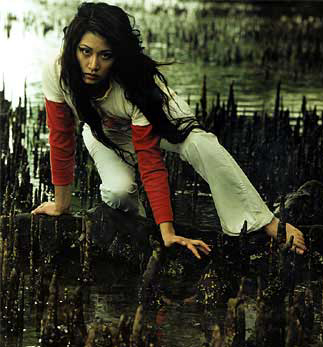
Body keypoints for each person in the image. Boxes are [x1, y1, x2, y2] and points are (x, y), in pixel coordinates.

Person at [32, 2, 307, 259]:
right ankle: (140, 229)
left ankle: (264, 222)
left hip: (161, 117)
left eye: (105, 55)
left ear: (118, 56)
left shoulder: (137, 85)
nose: (93, 65)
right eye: (85, 51)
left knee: (201, 146)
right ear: (73, 48)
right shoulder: (57, 72)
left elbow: (149, 160)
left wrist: (168, 231)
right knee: (118, 193)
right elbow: (61, 138)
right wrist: (61, 205)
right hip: (105, 131)